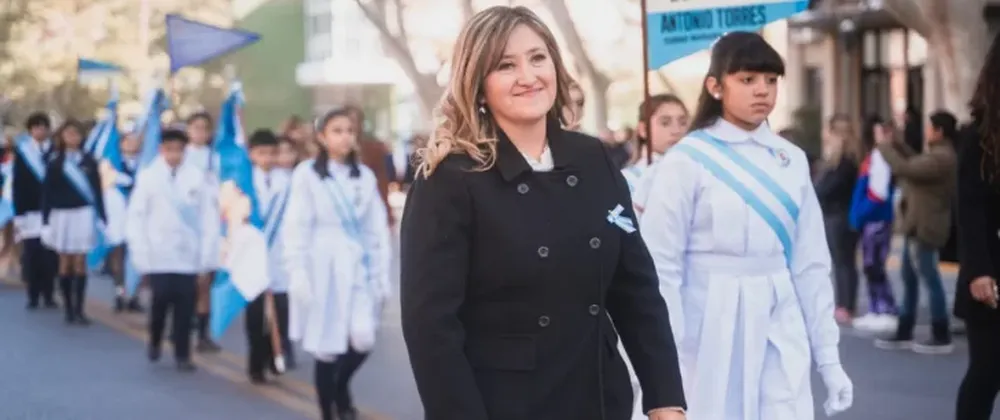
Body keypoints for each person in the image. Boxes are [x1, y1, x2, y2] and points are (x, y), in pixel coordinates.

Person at [399, 6, 686, 420]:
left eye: (538, 58)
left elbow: (636, 290)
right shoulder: (450, 179)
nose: (528, 76)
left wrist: (664, 397)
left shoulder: (594, 160)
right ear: (479, 86)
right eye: (505, 65)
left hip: (599, 397)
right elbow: (431, 329)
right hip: (505, 405)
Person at [639, 31, 853, 420]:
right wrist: (662, 359)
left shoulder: (791, 159)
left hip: (778, 313)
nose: (763, 91)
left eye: (771, 81)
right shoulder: (687, 160)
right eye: (748, 79)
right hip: (706, 322)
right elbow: (660, 266)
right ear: (715, 86)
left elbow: (811, 263)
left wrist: (829, 358)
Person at [283, 109, 392, 420]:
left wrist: (381, 275)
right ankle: (327, 411)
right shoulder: (307, 174)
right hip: (322, 266)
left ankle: (341, 387)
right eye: (337, 130)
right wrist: (298, 272)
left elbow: (376, 230)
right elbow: (297, 226)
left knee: (363, 337)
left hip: (357, 265)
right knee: (327, 345)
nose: (345, 136)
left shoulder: (364, 176)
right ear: (322, 137)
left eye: (349, 130)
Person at [126, 129, 220, 372]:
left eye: (179, 150)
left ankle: (182, 354)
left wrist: (207, 255)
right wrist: (141, 252)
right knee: (160, 304)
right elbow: (136, 216)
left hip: (188, 255)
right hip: (158, 254)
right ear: (161, 150)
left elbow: (208, 218)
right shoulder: (148, 177)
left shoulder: (198, 178)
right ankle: (155, 339)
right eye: (169, 150)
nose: (174, 155)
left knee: (185, 307)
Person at [870, 112, 957, 354]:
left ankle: (941, 333)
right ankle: (904, 329)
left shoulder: (943, 157)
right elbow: (914, 161)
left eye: (930, 127)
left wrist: (884, 146)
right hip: (916, 226)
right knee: (909, 279)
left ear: (939, 131)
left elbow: (906, 168)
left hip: (925, 227)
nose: (927, 131)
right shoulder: (937, 155)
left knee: (930, 279)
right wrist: (897, 142)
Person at [955, 31, 1000, 419]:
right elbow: (970, 209)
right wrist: (980, 270)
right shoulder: (980, 136)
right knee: (987, 373)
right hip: (991, 272)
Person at [40, 120, 105, 325]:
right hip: (62, 215)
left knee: (80, 262)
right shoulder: (54, 161)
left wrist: (103, 216)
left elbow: (97, 190)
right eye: (68, 134)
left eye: (75, 134)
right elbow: (47, 192)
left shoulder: (89, 160)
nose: (72, 138)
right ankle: (68, 308)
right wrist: (45, 219)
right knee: (65, 261)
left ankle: (79, 309)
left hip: (83, 213)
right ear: (61, 137)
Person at [244, 129, 295, 382]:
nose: (267, 158)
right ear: (252, 154)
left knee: (281, 311)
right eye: (261, 153)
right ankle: (256, 362)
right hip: (252, 257)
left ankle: (275, 353)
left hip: (279, 256)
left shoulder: (288, 181)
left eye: (272, 153)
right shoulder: (243, 181)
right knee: (255, 315)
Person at [847, 116, 899, 333]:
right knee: (872, 265)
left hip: (874, 219)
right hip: (874, 217)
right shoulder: (877, 156)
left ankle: (883, 308)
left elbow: (878, 193)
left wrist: (860, 214)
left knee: (873, 265)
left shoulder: (880, 156)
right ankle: (878, 307)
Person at [814, 114, 863, 325]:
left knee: (844, 262)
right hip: (837, 215)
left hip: (839, 217)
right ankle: (844, 303)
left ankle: (846, 305)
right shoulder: (844, 160)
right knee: (843, 262)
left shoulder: (843, 163)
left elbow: (827, 189)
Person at [184, 111, 223, 352]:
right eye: (195, 127)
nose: (200, 132)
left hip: (209, 226)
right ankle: (180, 324)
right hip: (185, 225)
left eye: (204, 128)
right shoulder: (179, 155)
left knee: (204, 282)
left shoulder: (215, 158)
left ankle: (203, 333)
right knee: (185, 282)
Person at [12, 112, 58, 310]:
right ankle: (33, 294)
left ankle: (49, 294)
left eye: (43, 126)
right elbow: (18, 184)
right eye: (36, 127)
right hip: (30, 211)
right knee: (32, 254)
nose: (40, 130)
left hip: (52, 212)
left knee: (50, 255)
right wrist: (19, 213)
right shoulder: (23, 152)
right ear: (30, 130)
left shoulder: (56, 151)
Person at [622, 94, 689, 217]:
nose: (676, 130)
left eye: (683, 123)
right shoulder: (627, 179)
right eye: (665, 123)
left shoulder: (697, 172)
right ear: (643, 129)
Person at [109, 131, 143, 312]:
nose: (132, 143)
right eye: (127, 140)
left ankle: (134, 295)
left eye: (135, 140)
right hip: (119, 214)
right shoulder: (114, 162)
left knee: (137, 255)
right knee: (119, 254)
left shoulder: (146, 162)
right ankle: (120, 292)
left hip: (139, 215)